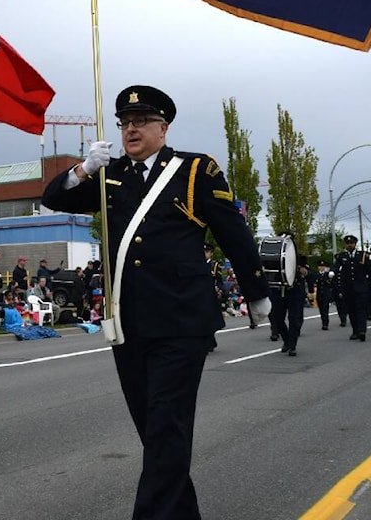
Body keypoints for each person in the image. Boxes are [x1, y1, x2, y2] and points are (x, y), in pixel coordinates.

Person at [41, 84, 270, 520]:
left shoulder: (194, 170)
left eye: (141, 122)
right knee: (155, 430)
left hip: (181, 319)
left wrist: (256, 289)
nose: (131, 129)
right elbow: (54, 198)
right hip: (129, 322)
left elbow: (231, 230)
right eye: (125, 123)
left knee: (166, 427)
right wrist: (83, 169)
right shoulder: (110, 176)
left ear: (162, 128)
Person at [269, 249, 308, 357]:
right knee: (277, 318)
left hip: (294, 292)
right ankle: (287, 340)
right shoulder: (274, 259)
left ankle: (292, 346)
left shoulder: (299, 258)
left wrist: (303, 271)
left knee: (294, 319)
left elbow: (308, 273)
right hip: (278, 292)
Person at [335, 234, 371, 342]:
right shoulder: (341, 256)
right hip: (348, 289)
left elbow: (370, 271)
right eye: (348, 243)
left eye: (351, 243)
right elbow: (337, 266)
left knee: (361, 309)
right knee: (352, 310)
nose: (350, 245)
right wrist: (332, 272)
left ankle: (362, 331)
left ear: (355, 244)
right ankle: (355, 331)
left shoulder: (363, 255)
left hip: (361, 288)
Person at [315, 260, 336, 330]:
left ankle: (325, 324)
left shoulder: (328, 275)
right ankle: (323, 321)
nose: (322, 268)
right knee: (321, 309)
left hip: (326, 295)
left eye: (323, 266)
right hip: (319, 295)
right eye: (320, 266)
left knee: (325, 309)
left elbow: (331, 284)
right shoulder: (317, 275)